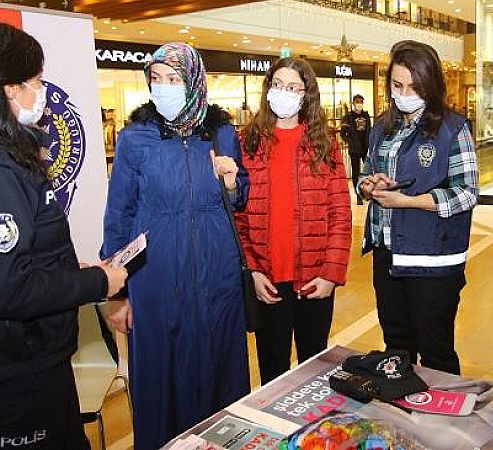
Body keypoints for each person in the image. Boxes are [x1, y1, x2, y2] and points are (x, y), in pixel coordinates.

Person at [0, 21, 127, 450]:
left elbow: (7, 260)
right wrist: (98, 282)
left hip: (25, 357)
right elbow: (8, 290)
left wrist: (66, 269)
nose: (41, 91)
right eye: (37, 81)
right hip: (17, 368)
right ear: (11, 88)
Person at [101, 43, 250, 449]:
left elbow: (240, 196)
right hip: (156, 279)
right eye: (156, 79)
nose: (163, 87)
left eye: (174, 79)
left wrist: (232, 182)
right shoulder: (135, 139)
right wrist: (117, 294)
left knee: (220, 371)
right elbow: (118, 216)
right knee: (161, 380)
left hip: (217, 276)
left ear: (195, 82)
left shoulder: (221, 134)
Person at [358, 40, 478, 375]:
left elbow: (466, 193)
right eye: (397, 85)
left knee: (436, 350)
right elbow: (366, 173)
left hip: (431, 260)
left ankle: (444, 407)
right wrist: (369, 185)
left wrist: (408, 201)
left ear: (431, 85)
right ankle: (402, 405)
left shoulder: (452, 128)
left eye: (414, 87)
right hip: (388, 254)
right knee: (396, 348)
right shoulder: (382, 127)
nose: (404, 94)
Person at [237, 58, 352, 384]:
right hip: (268, 280)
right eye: (277, 85)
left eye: (293, 87)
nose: (283, 93)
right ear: (267, 89)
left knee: (314, 372)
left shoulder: (324, 142)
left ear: (306, 95)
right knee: (272, 372)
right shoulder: (248, 142)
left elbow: (340, 213)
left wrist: (330, 274)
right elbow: (239, 217)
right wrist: (253, 271)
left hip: (314, 280)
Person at [341, 94, 372, 205]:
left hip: (366, 147)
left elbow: (369, 130)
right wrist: (350, 142)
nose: (359, 104)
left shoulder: (366, 115)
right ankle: (358, 195)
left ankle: (369, 192)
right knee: (356, 172)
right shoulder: (348, 117)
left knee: (369, 171)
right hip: (355, 149)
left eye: (361, 101)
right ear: (353, 103)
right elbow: (343, 133)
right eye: (357, 101)